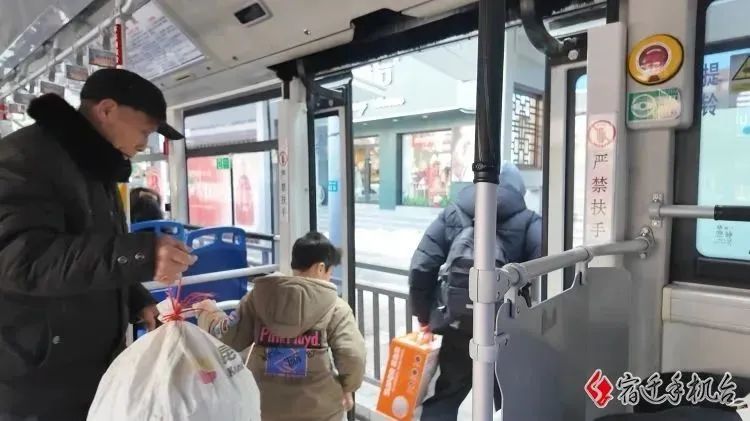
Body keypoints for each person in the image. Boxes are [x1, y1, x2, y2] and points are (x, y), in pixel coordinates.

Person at [0, 68, 197, 420]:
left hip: (87, 363)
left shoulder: (94, 164)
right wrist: (142, 254)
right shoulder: (23, 159)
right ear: (106, 109)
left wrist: (134, 296)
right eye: (145, 130)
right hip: (38, 374)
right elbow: (23, 260)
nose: (145, 143)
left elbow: (92, 247)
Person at [408, 162, 542, 420]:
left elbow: (421, 267)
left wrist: (425, 316)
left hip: (457, 324)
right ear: (519, 191)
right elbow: (548, 272)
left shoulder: (452, 214)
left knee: (446, 395)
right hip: (505, 328)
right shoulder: (530, 222)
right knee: (510, 400)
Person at [194, 232, 366, 421]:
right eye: (330, 271)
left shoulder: (258, 298)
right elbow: (353, 355)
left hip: (264, 406)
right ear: (320, 268)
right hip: (319, 410)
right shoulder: (336, 307)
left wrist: (209, 314)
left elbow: (228, 337)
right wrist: (347, 388)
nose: (330, 277)